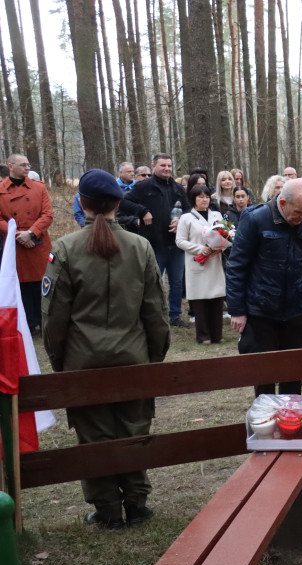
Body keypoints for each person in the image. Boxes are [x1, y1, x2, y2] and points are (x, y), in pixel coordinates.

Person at [41, 169, 170, 529]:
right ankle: (137, 504)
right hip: (133, 357)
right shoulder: (140, 247)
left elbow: (54, 320)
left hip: (83, 361)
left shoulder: (65, 249)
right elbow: (156, 314)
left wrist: (60, 363)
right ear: (117, 203)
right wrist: (153, 359)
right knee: (133, 429)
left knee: (94, 437)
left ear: (81, 203)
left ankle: (108, 510)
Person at [226, 178, 302, 396]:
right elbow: (236, 266)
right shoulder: (255, 218)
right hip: (261, 310)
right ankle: (266, 415)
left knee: (293, 372)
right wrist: (237, 310)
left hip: (297, 310)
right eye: (299, 212)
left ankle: (290, 415)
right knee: (264, 373)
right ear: (283, 203)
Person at [119, 154, 190, 327]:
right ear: (153, 166)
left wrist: (182, 220)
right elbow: (123, 202)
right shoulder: (143, 187)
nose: (167, 169)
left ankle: (175, 316)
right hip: (153, 244)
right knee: (153, 283)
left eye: (169, 166)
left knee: (176, 282)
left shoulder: (177, 188)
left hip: (176, 244)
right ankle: (154, 315)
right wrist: (143, 211)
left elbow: (188, 209)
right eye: (163, 165)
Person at [0, 153, 54, 334]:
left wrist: (31, 233)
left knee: (42, 283)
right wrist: (17, 235)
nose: (27, 168)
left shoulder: (39, 187)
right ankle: (27, 324)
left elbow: (47, 215)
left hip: (38, 242)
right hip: (15, 244)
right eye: (23, 165)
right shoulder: (1, 189)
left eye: (28, 164)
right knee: (21, 285)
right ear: (10, 166)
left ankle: (44, 321)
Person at [176, 183, 228, 344]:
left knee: (216, 298)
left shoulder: (216, 215)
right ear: (193, 199)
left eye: (206, 197)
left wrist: (220, 246)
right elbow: (180, 241)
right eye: (200, 197)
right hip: (197, 262)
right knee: (200, 300)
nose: (204, 200)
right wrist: (200, 249)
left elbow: (225, 235)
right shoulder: (186, 218)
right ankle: (203, 335)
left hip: (214, 260)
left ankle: (217, 334)